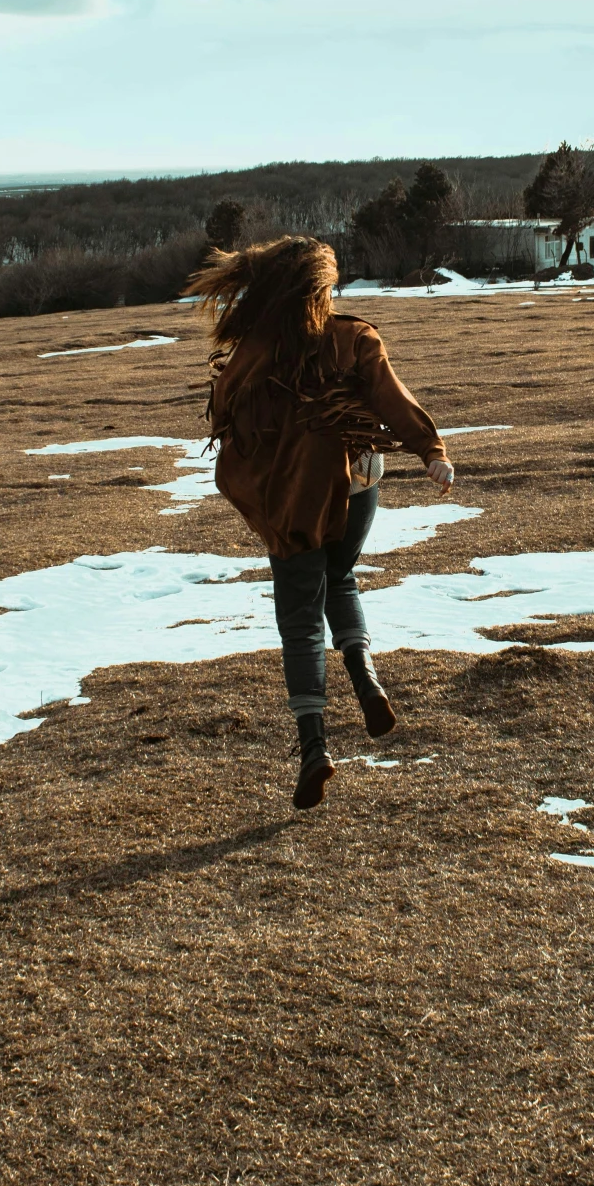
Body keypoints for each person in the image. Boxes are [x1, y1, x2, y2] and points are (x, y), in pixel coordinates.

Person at [189, 235, 454, 810]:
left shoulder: (253, 353)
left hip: (294, 500)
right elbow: (391, 399)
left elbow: (230, 425)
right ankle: (365, 679)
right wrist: (431, 451)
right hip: (359, 483)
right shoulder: (353, 337)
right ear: (319, 287)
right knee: (343, 576)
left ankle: (314, 748)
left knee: (300, 617)